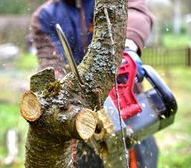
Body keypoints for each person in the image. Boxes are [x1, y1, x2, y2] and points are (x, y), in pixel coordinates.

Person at [29, 0, 158, 167]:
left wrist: (127, 45)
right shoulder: (45, 16)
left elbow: (136, 11)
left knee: (140, 158)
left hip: (128, 108)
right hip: (83, 121)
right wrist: (63, 89)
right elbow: (51, 63)